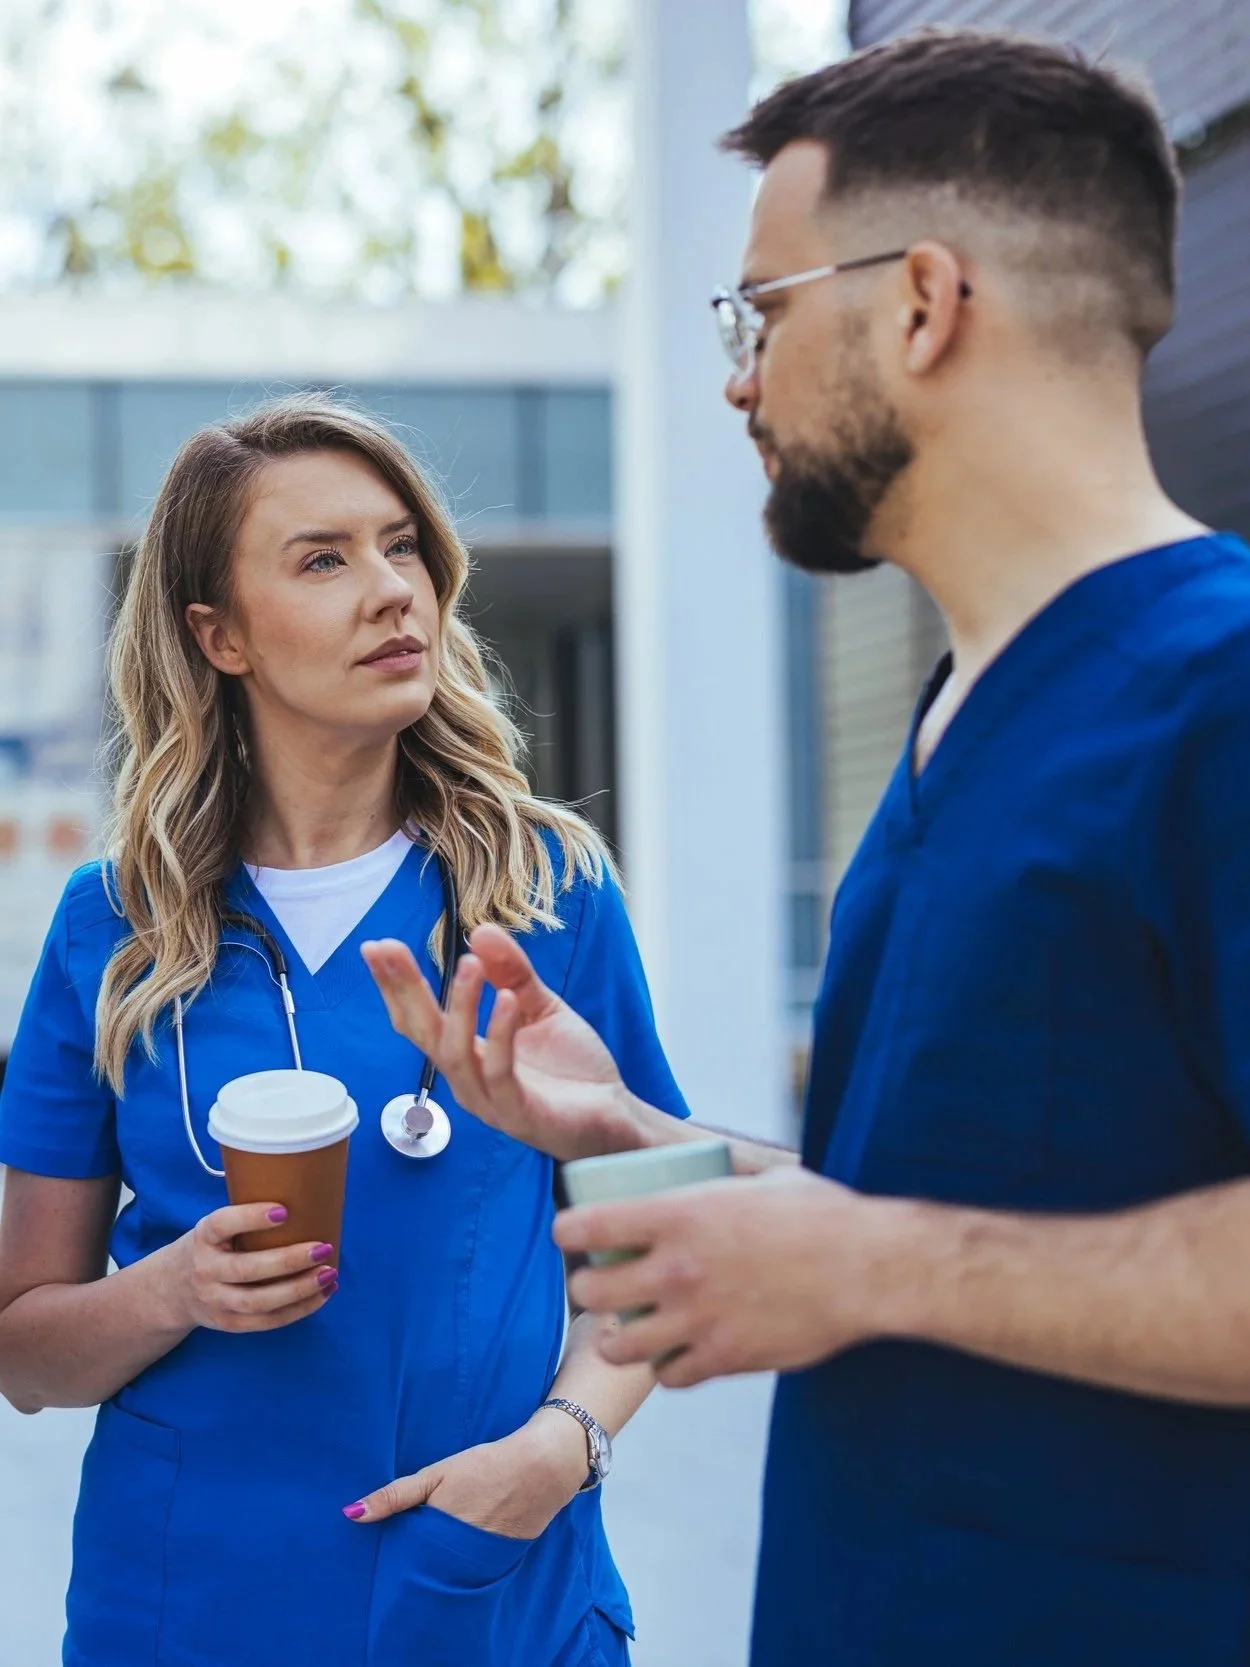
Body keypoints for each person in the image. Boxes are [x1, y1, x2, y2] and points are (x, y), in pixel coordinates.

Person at [360, 27, 1250, 1667]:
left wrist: (878, 1261)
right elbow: (934, 1213)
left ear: (920, 302)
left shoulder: (1219, 690)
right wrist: (631, 1129)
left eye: (760, 312)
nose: (736, 375)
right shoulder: (955, 723)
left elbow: (894, 1251)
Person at [0, 395, 689, 1667]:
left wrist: (557, 1448)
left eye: (402, 546)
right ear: (219, 635)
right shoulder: (114, 929)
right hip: (187, 1601)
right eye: (322, 559)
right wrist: (172, 1289)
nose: (390, 591)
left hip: (490, 1588)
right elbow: (25, 1344)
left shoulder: (547, 893)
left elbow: (655, 1239)